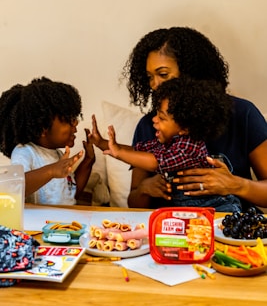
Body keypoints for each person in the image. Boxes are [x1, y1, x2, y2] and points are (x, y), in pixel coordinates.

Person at [119, 27, 267, 211]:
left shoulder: (243, 114)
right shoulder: (151, 125)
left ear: (191, 72)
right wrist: (145, 189)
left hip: (230, 231)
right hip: (170, 234)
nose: (154, 85)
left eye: (163, 74)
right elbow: (134, 203)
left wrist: (236, 184)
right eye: (150, 77)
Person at [98, 77, 241, 212]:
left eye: (161, 117)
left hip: (219, 208)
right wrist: (105, 144)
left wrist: (119, 152)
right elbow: (138, 151)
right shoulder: (170, 141)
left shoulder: (189, 147)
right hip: (189, 211)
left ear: (184, 128)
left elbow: (156, 162)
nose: (154, 120)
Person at [0, 77, 95, 205]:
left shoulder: (58, 155)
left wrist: (88, 161)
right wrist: (51, 171)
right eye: (68, 118)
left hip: (61, 222)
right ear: (43, 127)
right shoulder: (25, 152)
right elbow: (15, 189)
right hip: (37, 224)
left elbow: (70, 195)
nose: (76, 122)